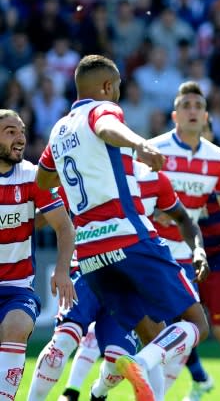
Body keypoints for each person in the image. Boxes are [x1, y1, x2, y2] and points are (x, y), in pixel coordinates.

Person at [36, 55, 210, 401]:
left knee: (149, 331)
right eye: (116, 87)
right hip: (128, 236)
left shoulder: (59, 130)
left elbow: (43, 180)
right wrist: (138, 143)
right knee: (197, 324)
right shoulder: (103, 111)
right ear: (105, 86)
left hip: (90, 252)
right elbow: (105, 127)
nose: (117, 94)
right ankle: (141, 363)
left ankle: (129, 375)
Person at [29, 161, 207, 401]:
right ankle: (71, 391)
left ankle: (97, 392)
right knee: (61, 345)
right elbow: (47, 213)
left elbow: (184, 218)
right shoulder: (89, 170)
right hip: (90, 268)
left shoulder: (152, 178)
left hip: (126, 276)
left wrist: (198, 249)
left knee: (118, 362)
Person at [148, 83, 220, 401]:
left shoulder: (219, 161)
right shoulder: (154, 150)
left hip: (208, 256)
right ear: (175, 116)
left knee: (204, 327)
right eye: (186, 105)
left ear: (208, 119)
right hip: (154, 250)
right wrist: (153, 210)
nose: (193, 112)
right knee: (163, 326)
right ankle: (197, 378)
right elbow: (135, 192)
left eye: (199, 106)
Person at [0, 109, 76, 401]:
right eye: (10, 131)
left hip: (17, 288)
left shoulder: (33, 177)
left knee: (17, 326)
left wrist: (61, 270)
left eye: (22, 131)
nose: (20, 138)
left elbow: (65, 228)